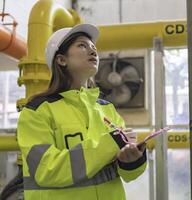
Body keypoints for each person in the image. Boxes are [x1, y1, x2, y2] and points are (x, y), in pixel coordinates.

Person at [17, 23, 147, 200]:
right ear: (61, 60)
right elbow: (46, 169)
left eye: (93, 47)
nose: (93, 51)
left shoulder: (106, 109)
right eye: (82, 46)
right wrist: (108, 145)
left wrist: (132, 160)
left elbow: (127, 175)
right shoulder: (37, 111)